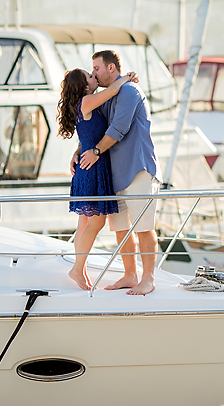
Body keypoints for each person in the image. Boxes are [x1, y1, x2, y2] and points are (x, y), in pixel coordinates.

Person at [73, 49, 162, 295]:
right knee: (121, 229)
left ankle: (148, 279)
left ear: (111, 68)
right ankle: (130, 275)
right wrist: (79, 150)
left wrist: (96, 152)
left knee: (144, 228)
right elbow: (95, 129)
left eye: (97, 69)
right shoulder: (106, 95)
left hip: (138, 169)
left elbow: (118, 128)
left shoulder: (130, 91)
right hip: (115, 174)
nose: (94, 73)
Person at [58, 67, 136, 290]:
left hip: (89, 164)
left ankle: (79, 268)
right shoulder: (87, 101)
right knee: (96, 222)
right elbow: (112, 90)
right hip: (92, 167)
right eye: (90, 77)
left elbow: (88, 135)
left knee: (83, 223)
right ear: (84, 86)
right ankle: (77, 268)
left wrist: (78, 150)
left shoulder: (83, 104)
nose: (95, 78)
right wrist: (127, 78)